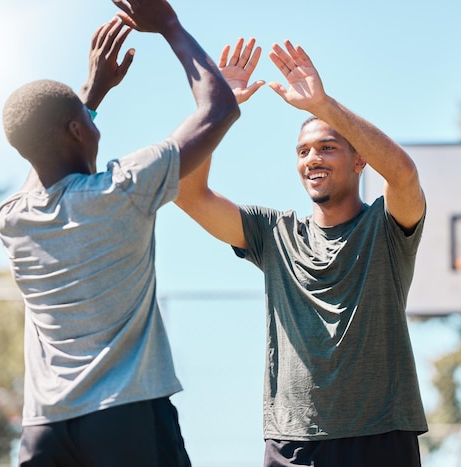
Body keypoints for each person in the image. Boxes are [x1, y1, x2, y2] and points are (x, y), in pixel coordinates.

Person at [0, 0, 239, 465]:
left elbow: (41, 158)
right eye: (88, 121)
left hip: (44, 429)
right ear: (77, 130)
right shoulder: (122, 189)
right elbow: (219, 108)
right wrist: (169, 25)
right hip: (125, 418)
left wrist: (91, 92)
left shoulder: (10, 218)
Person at [175, 37, 428, 466]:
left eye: (327, 147)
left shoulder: (385, 227)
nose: (313, 158)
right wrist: (214, 111)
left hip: (382, 434)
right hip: (294, 441)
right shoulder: (273, 233)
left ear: (359, 160)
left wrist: (323, 106)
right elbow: (187, 193)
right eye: (303, 151)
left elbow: (403, 174)